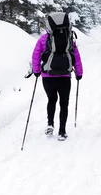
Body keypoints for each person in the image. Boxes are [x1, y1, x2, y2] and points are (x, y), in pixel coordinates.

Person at [31, 13, 83, 141]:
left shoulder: (43, 39)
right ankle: (62, 131)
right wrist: (79, 73)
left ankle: (50, 124)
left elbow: (36, 55)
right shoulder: (69, 38)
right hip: (65, 76)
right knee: (64, 103)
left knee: (51, 100)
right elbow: (76, 56)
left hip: (48, 76)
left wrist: (36, 71)